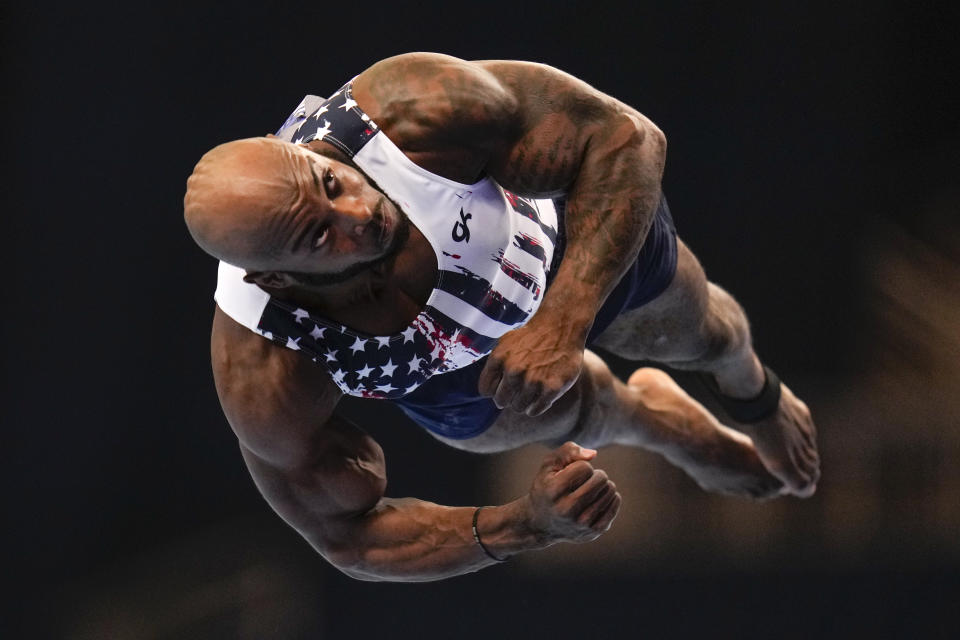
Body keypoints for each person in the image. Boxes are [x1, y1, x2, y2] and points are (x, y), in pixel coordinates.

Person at [183, 52, 819, 581]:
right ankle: (650, 421)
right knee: (561, 408)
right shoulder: (263, 369)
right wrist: (528, 525)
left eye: (329, 183)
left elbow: (627, 138)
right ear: (271, 279)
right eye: (320, 237)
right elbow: (348, 538)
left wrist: (562, 323)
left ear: (292, 149)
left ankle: (752, 390)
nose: (358, 213)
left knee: (704, 332)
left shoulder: (403, 112)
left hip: (560, 244)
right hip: (457, 376)